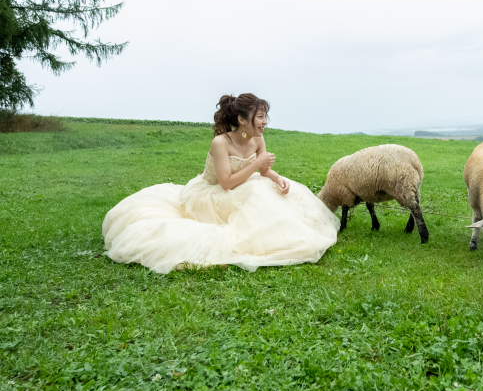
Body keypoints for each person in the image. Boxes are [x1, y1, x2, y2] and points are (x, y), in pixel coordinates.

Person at [102, 94, 339, 273]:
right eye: (260, 117)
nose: (264, 122)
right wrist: (256, 165)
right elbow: (226, 183)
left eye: (265, 116)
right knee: (255, 194)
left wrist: (278, 179)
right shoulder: (221, 143)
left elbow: (264, 170)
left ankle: (290, 232)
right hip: (211, 192)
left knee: (270, 192)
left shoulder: (256, 138)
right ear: (242, 119)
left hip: (244, 183)